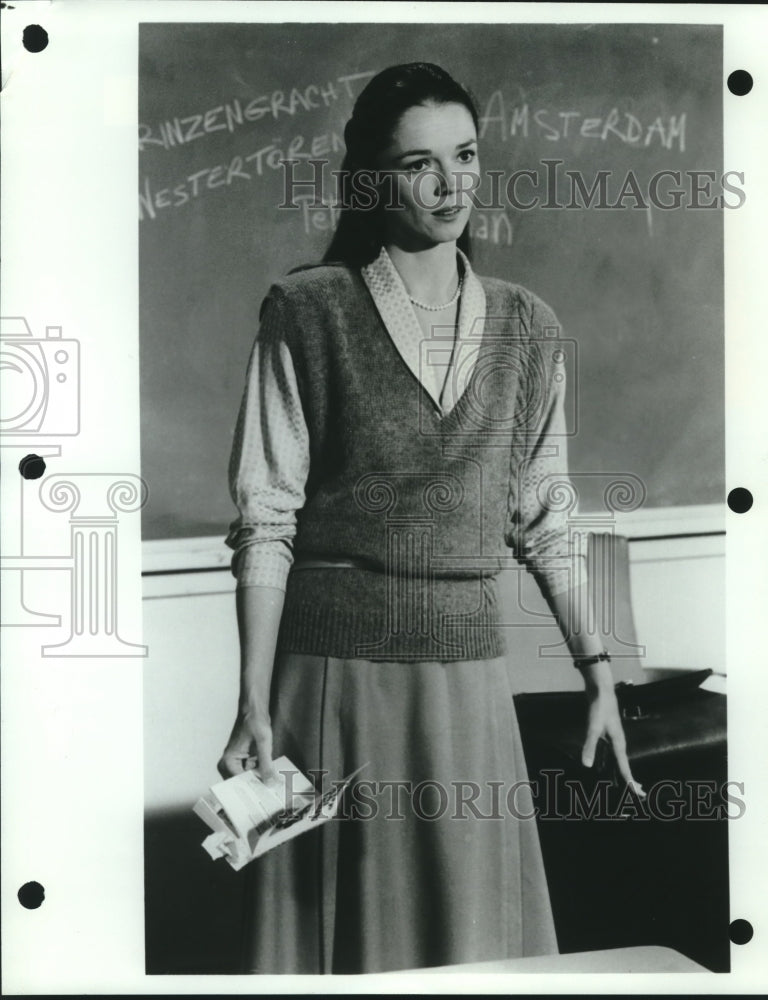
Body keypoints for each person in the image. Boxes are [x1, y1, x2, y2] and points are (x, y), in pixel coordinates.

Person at [219, 62, 643, 975]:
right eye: (420, 165)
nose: (451, 185)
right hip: (334, 674)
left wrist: (598, 673)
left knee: (471, 948)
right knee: (347, 942)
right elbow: (265, 519)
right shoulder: (307, 309)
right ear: (374, 178)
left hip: (467, 678)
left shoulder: (531, 327)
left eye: (466, 156)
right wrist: (251, 702)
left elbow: (548, 518)